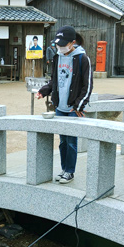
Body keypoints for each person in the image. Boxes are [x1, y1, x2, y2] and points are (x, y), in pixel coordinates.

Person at [35, 25, 93, 184]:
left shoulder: (82, 59)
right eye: (58, 44)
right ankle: (64, 168)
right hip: (60, 106)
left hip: (73, 107)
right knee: (62, 141)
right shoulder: (57, 57)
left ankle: (70, 171)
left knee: (71, 141)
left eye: (62, 44)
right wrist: (44, 91)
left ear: (72, 43)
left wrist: (78, 106)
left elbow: (87, 86)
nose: (59, 47)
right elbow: (54, 80)